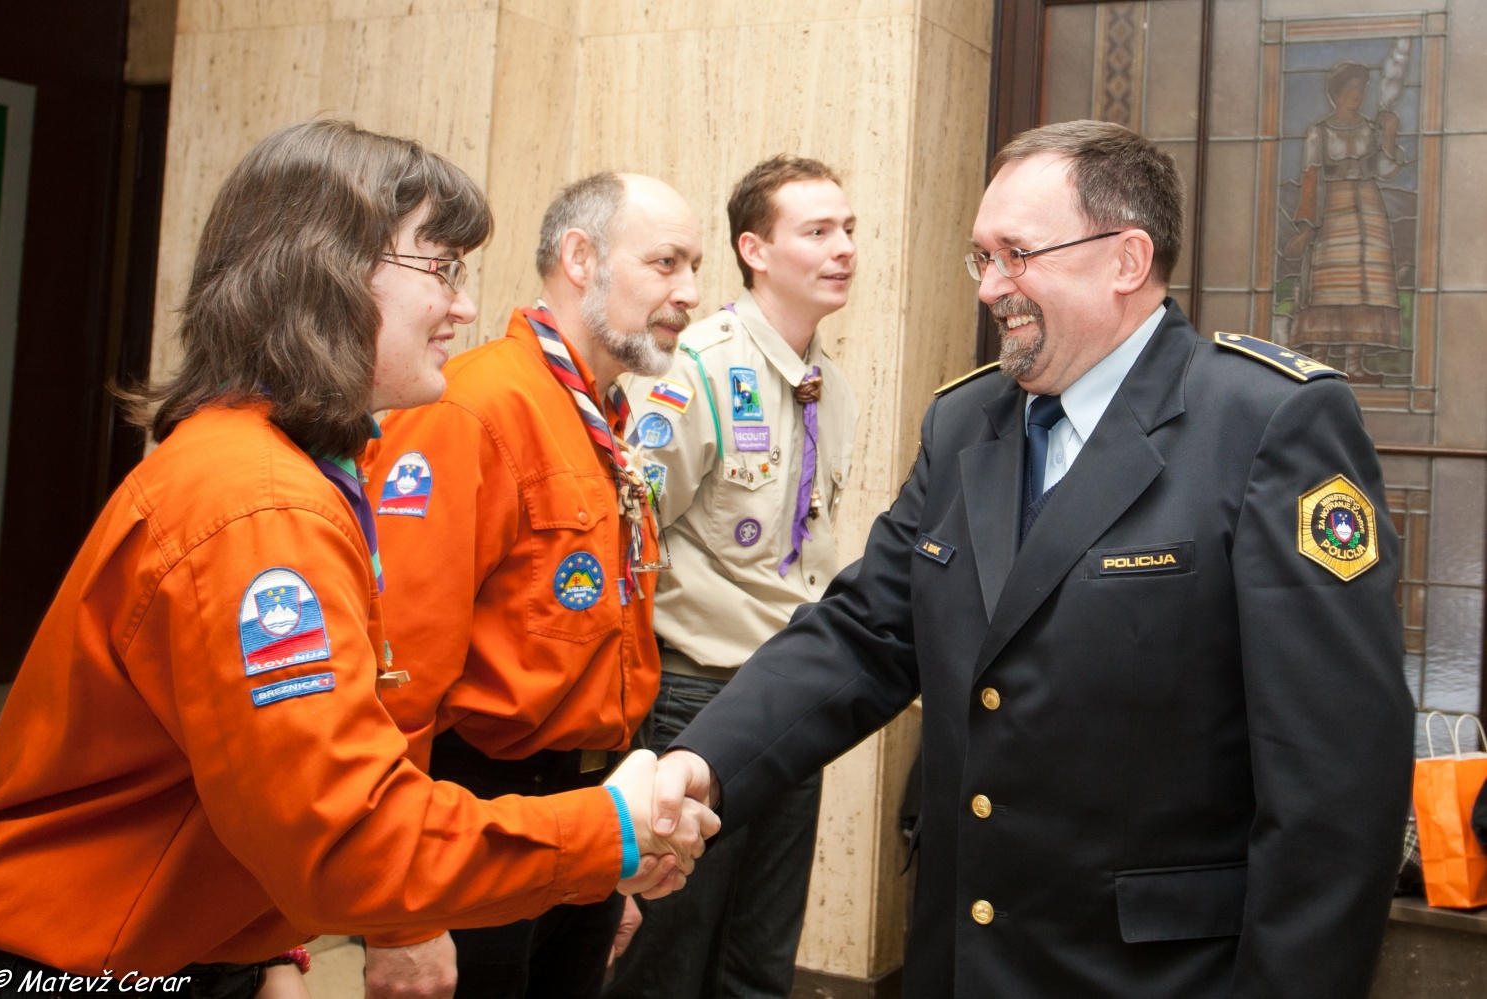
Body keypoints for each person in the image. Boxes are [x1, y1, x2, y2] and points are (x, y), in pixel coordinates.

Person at [651, 119, 1415, 998]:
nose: (990, 287)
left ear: (1127, 259)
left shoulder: (1265, 425)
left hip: (1156, 975)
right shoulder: (965, 421)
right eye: (981, 257)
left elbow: (1333, 785)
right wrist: (697, 761)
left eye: (1017, 254)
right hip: (962, 963)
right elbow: (864, 635)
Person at [0, 120, 713, 999]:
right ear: (326, 269)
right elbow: (349, 835)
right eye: (440, 268)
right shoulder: (262, 507)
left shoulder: (272, 465)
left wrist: (270, 948)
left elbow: (246, 774)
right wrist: (614, 832)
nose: (463, 307)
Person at [363, 172, 702, 999]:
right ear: (579, 258)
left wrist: (618, 854)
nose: (689, 293)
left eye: (694, 267)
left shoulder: (603, 415)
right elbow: (397, 667)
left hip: (588, 809)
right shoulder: (471, 407)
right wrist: (401, 916)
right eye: (664, 263)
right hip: (479, 808)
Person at [604, 155, 860, 999]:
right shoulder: (698, 369)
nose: (844, 249)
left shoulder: (829, 385)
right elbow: (629, 538)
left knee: (760, 956)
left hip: (791, 701)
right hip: (696, 699)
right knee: (669, 955)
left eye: (849, 229)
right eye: (817, 231)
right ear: (755, 248)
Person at [1284, 61, 1409, 382]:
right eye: (1352, 88)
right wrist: (1306, 229)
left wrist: (1390, 137)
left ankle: (1354, 364)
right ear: (1336, 92)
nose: (1358, 94)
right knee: (1329, 285)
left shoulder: (1370, 128)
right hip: (1333, 212)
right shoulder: (1320, 132)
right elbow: (1310, 180)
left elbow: (1384, 170)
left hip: (1369, 212)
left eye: (1362, 88)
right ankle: (1320, 361)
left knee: (1365, 285)